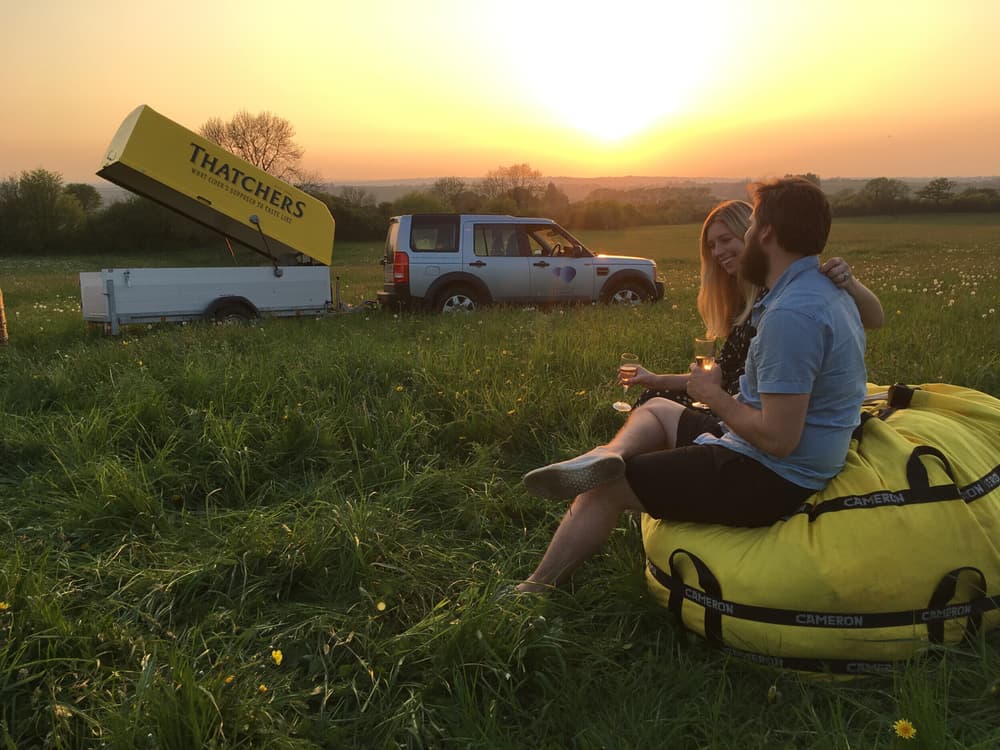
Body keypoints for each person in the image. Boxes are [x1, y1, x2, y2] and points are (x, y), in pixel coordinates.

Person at [517, 177, 868, 594]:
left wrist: (712, 397)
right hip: (769, 455)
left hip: (773, 477)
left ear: (767, 233)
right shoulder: (824, 291)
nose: (748, 234)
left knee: (607, 488)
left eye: (752, 226)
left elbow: (778, 440)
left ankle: (535, 589)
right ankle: (606, 454)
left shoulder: (791, 316)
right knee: (662, 409)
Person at [632, 200, 883, 410]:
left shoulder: (779, 292)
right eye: (711, 246)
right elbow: (722, 375)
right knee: (652, 399)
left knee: (655, 409)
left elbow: (875, 319)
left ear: (752, 235)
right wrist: (654, 380)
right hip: (732, 402)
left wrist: (850, 283)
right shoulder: (739, 300)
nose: (718, 252)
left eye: (725, 240)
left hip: (750, 413)